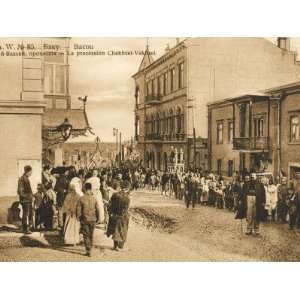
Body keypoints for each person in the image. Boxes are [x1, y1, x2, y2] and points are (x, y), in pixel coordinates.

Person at [77, 182, 100, 257]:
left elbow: (79, 210)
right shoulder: (94, 198)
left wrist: (78, 217)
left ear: (85, 189)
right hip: (93, 219)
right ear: (90, 189)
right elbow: (98, 209)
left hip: (85, 219)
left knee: (86, 235)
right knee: (91, 234)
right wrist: (98, 218)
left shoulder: (81, 198)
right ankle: (90, 248)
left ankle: (88, 249)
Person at [106, 180, 131, 251]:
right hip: (122, 216)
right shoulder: (127, 198)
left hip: (114, 215)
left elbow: (110, 205)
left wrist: (111, 213)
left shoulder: (115, 195)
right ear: (127, 188)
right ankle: (120, 246)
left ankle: (115, 245)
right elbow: (125, 209)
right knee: (123, 230)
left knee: (115, 230)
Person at [17, 165, 34, 234]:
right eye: (30, 172)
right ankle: (25, 229)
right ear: (27, 171)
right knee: (26, 214)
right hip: (25, 200)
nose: (31, 173)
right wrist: (28, 196)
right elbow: (20, 191)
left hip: (28, 200)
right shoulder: (22, 179)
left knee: (29, 214)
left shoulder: (26, 178)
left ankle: (28, 228)